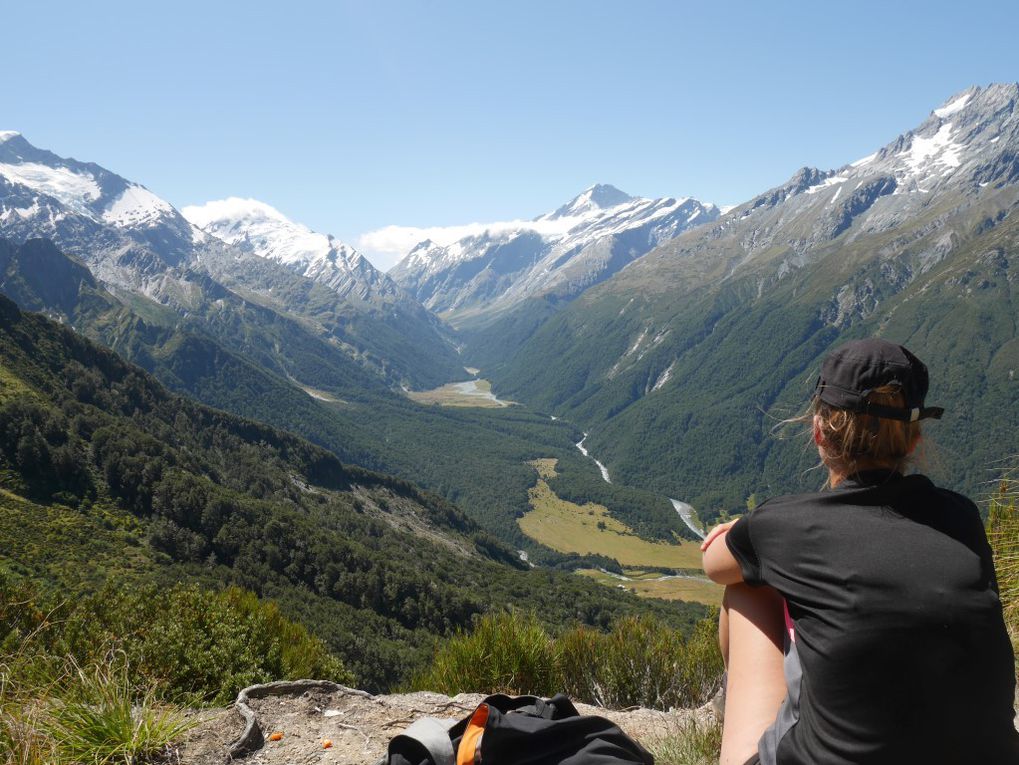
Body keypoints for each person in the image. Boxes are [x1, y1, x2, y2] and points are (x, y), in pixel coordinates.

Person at [700, 338, 1019, 765]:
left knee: (747, 586)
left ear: (818, 430)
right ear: (914, 440)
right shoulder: (962, 518)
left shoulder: (785, 526)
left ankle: (742, 720)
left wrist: (747, 532)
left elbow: (715, 566)